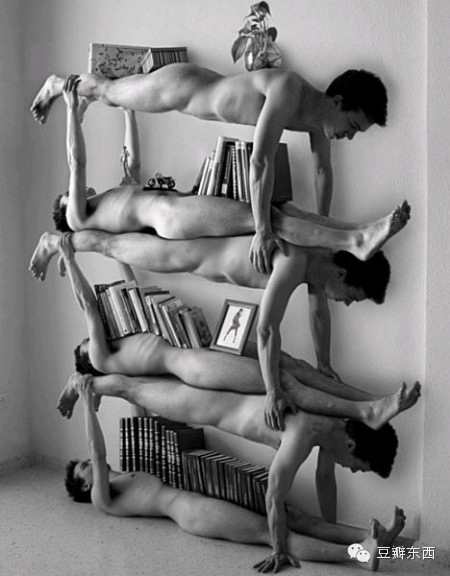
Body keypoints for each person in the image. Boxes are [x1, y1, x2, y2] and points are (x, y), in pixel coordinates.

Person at [30, 202, 408, 429]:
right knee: (111, 245)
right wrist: (273, 393)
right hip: (182, 258)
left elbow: (318, 317)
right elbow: (266, 330)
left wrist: (325, 364)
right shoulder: (295, 259)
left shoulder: (306, 258)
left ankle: (368, 403)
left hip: (190, 259)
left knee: (297, 368)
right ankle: (365, 409)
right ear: (341, 273)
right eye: (351, 297)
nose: (344, 303)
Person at [31, 63, 388, 274]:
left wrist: (323, 225)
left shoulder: (317, 121)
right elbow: (260, 161)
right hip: (180, 89)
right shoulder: (289, 91)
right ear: (337, 102)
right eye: (353, 127)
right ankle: (57, 85)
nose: (350, 137)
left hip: (192, 90)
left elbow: (323, 172)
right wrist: (262, 230)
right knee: (108, 92)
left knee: (112, 94)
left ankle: (358, 235)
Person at [60, 371, 408, 572]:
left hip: (204, 488)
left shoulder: (127, 473)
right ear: (85, 487)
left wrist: (123, 393)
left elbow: (141, 420)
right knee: (272, 534)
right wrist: (87, 403)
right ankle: (361, 555)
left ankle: (373, 538)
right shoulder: (103, 498)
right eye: (83, 469)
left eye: (84, 461)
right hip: (192, 510)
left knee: (297, 517)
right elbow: (98, 451)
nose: (89, 463)